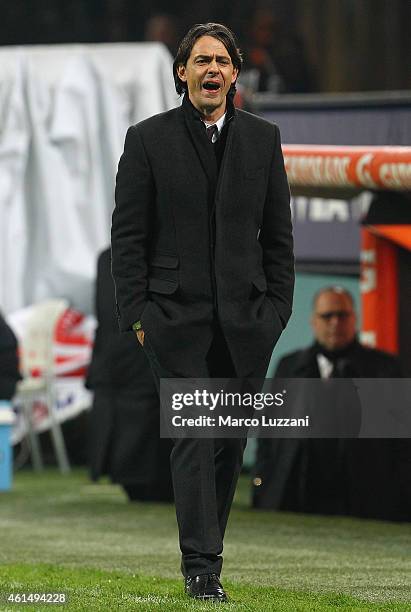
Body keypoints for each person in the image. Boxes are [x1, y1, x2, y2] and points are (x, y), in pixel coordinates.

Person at [111, 22, 294, 601]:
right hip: (171, 322)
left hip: (247, 323)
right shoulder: (146, 140)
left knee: (230, 445)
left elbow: (279, 240)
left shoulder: (264, 140)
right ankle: (202, 568)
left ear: (235, 73)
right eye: (201, 60)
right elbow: (129, 238)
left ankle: (206, 557)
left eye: (221, 60)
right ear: (181, 73)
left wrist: (277, 312)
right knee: (196, 433)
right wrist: (139, 317)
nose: (211, 69)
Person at [253, 287, 410, 521]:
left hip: (367, 497)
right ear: (314, 321)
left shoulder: (385, 368)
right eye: (327, 316)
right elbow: (270, 433)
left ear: (354, 319)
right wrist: (264, 484)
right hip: (299, 492)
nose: (335, 322)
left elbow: (402, 440)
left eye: (343, 315)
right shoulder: (289, 366)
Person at [86, 248, 173, 502]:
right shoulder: (156, 255)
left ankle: (134, 479)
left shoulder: (108, 257)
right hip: (140, 356)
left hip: (118, 358)